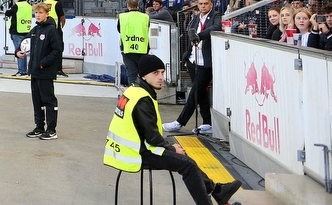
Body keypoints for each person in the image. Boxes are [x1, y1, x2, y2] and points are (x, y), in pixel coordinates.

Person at [103, 54, 242, 205]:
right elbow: (153, 138)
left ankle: (217, 192)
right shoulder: (143, 99)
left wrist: (172, 148)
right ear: (143, 76)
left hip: (126, 150)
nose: (161, 77)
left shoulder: (133, 91)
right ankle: (214, 195)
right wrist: (172, 149)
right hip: (135, 154)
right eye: (155, 73)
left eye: (162, 72)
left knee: (182, 153)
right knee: (187, 164)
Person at [163, 0, 220, 135]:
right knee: (201, 94)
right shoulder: (195, 18)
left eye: (206, 3)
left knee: (195, 92)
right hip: (194, 60)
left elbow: (215, 28)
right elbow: (190, 35)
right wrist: (187, 55)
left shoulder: (216, 16)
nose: (203, 6)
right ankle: (207, 123)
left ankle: (180, 122)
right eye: (200, 3)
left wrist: (199, 36)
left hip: (206, 62)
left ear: (211, 4)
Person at [18, 2, 63, 140]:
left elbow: (57, 50)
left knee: (48, 100)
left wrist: (43, 63)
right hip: (35, 71)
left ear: (47, 14)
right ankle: (39, 127)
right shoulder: (36, 30)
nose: (38, 15)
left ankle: (51, 129)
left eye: (41, 13)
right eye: (36, 13)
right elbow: (25, 43)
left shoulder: (51, 30)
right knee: (37, 100)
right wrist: (18, 52)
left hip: (45, 71)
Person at [118, 0, 150, 85]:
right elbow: (147, 28)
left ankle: (133, 95)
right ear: (137, 6)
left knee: (131, 75)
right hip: (142, 49)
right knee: (143, 75)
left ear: (128, 6)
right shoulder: (145, 17)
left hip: (127, 49)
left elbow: (119, 29)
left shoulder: (122, 17)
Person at [5, 0, 33, 76]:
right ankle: (23, 70)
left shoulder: (17, 5)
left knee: (19, 51)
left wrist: (9, 7)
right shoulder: (28, 5)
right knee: (23, 50)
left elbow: (7, 13)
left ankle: (22, 71)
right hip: (27, 30)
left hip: (17, 31)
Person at [45, 0, 68, 77]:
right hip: (56, 30)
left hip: (45, 30)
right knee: (58, 49)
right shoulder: (57, 4)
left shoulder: (44, 2)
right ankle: (58, 69)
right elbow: (62, 18)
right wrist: (61, 27)